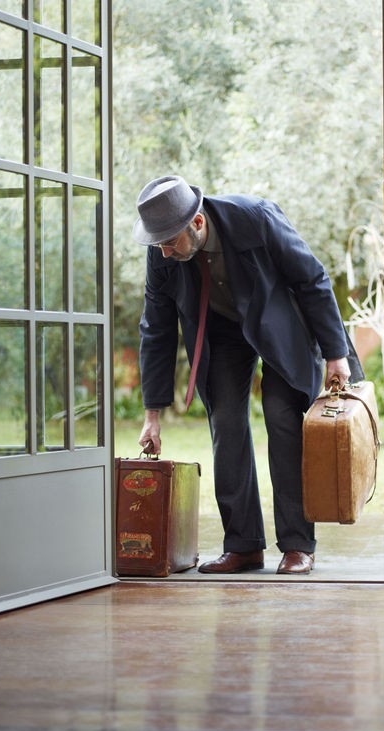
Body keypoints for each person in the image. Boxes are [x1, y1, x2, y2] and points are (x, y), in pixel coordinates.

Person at [133, 175, 352, 575]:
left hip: (279, 324)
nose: (163, 252)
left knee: (282, 417)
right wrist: (152, 414)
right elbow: (156, 329)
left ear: (198, 223)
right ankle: (243, 545)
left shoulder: (256, 218)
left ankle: (298, 545)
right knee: (226, 424)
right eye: (158, 243)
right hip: (221, 334)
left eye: (169, 242)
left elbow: (312, 278)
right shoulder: (161, 252)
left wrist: (336, 355)